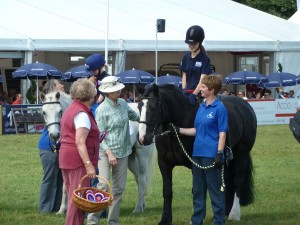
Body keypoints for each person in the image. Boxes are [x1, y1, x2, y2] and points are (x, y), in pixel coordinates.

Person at [170, 75, 228, 225]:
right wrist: (178, 129)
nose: (200, 89)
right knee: (198, 190)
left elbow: (222, 133)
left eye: (203, 87)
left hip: (211, 155)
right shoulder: (201, 107)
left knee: (215, 191)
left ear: (212, 89)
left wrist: (219, 153)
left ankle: (219, 221)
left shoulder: (219, 108)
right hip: (197, 154)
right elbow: (197, 130)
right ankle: (197, 220)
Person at [87, 76, 140, 225]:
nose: (119, 91)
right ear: (107, 93)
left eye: (118, 89)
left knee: (118, 189)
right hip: (105, 153)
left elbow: (134, 115)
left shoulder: (123, 103)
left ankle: (113, 221)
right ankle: (92, 221)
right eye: (115, 90)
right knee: (103, 186)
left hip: (123, 152)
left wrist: (142, 118)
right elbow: (99, 135)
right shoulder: (101, 110)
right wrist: (109, 153)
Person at [59, 78, 100, 225]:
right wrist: (88, 164)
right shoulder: (82, 114)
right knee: (77, 201)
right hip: (78, 162)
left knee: (74, 198)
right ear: (90, 94)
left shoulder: (72, 109)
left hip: (67, 159)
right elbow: (80, 141)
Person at [38, 79, 66, 214]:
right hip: (48, 145)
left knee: (60, 178)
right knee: (50, 177)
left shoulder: (62, 103)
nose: (62, 85)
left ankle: (56, 207)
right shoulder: (51, 103)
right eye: (59, 84)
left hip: (61, 146)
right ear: (54, 88)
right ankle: (45, 209)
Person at [180, 25, 212, 105]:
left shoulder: (204, 59)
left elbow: (203, 80)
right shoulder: (185, 57)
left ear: (199, 42)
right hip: (187, 92)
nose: (191, 45)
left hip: (200, 94)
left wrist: (194, 94)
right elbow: (184, 75)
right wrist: (184, 89)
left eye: (194, 43)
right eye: (189, 43)